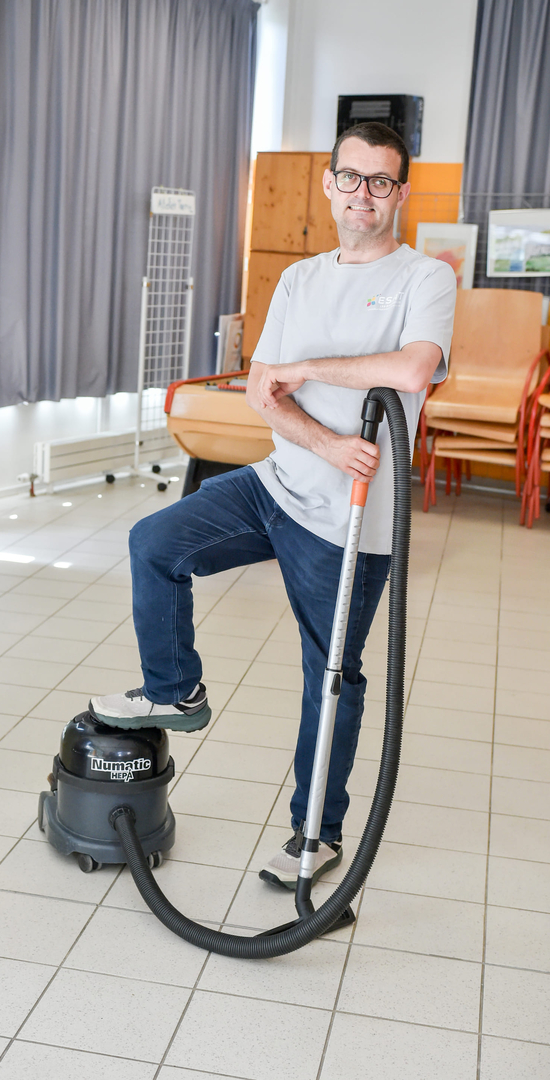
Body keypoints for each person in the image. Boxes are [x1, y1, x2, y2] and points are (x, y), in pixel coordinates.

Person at [91, 122, 456, 891]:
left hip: (351, 521)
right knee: (154, 542)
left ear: (399, 191)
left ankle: (316, 834)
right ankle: (173, 689)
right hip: (275, 484)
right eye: (350, 177)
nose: (362, 194)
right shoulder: (298, 280)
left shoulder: (423, 278)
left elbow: (411, 369)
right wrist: (324, 442)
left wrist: (308, 368)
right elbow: (264, 391)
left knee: (331, 676)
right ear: (329, 183)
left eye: (380, 181)